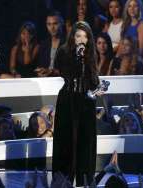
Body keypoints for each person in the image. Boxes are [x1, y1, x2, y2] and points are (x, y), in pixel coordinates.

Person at [52, 21, 102, 186]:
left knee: (84, 143)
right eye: (78, 35)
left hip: (86, 103)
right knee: (66, 142)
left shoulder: (92, 54)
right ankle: (63, 180)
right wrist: (78, 58)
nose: (82, 40)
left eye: (85, 36)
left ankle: (84, 181)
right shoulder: (63, 52)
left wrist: (98, 89)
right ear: (73, 36)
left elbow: (93, 80)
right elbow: (66, 74)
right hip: (67, 100)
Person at [35, 10, 65, 77]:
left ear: (62, 23)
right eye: (49, 24)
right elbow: (40, 65)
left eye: (55, 23)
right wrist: (40, 71)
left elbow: (71, 69)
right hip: (46, 80)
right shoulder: (44, 44)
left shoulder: (68, 44)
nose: (52, 28)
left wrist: (52, 71)